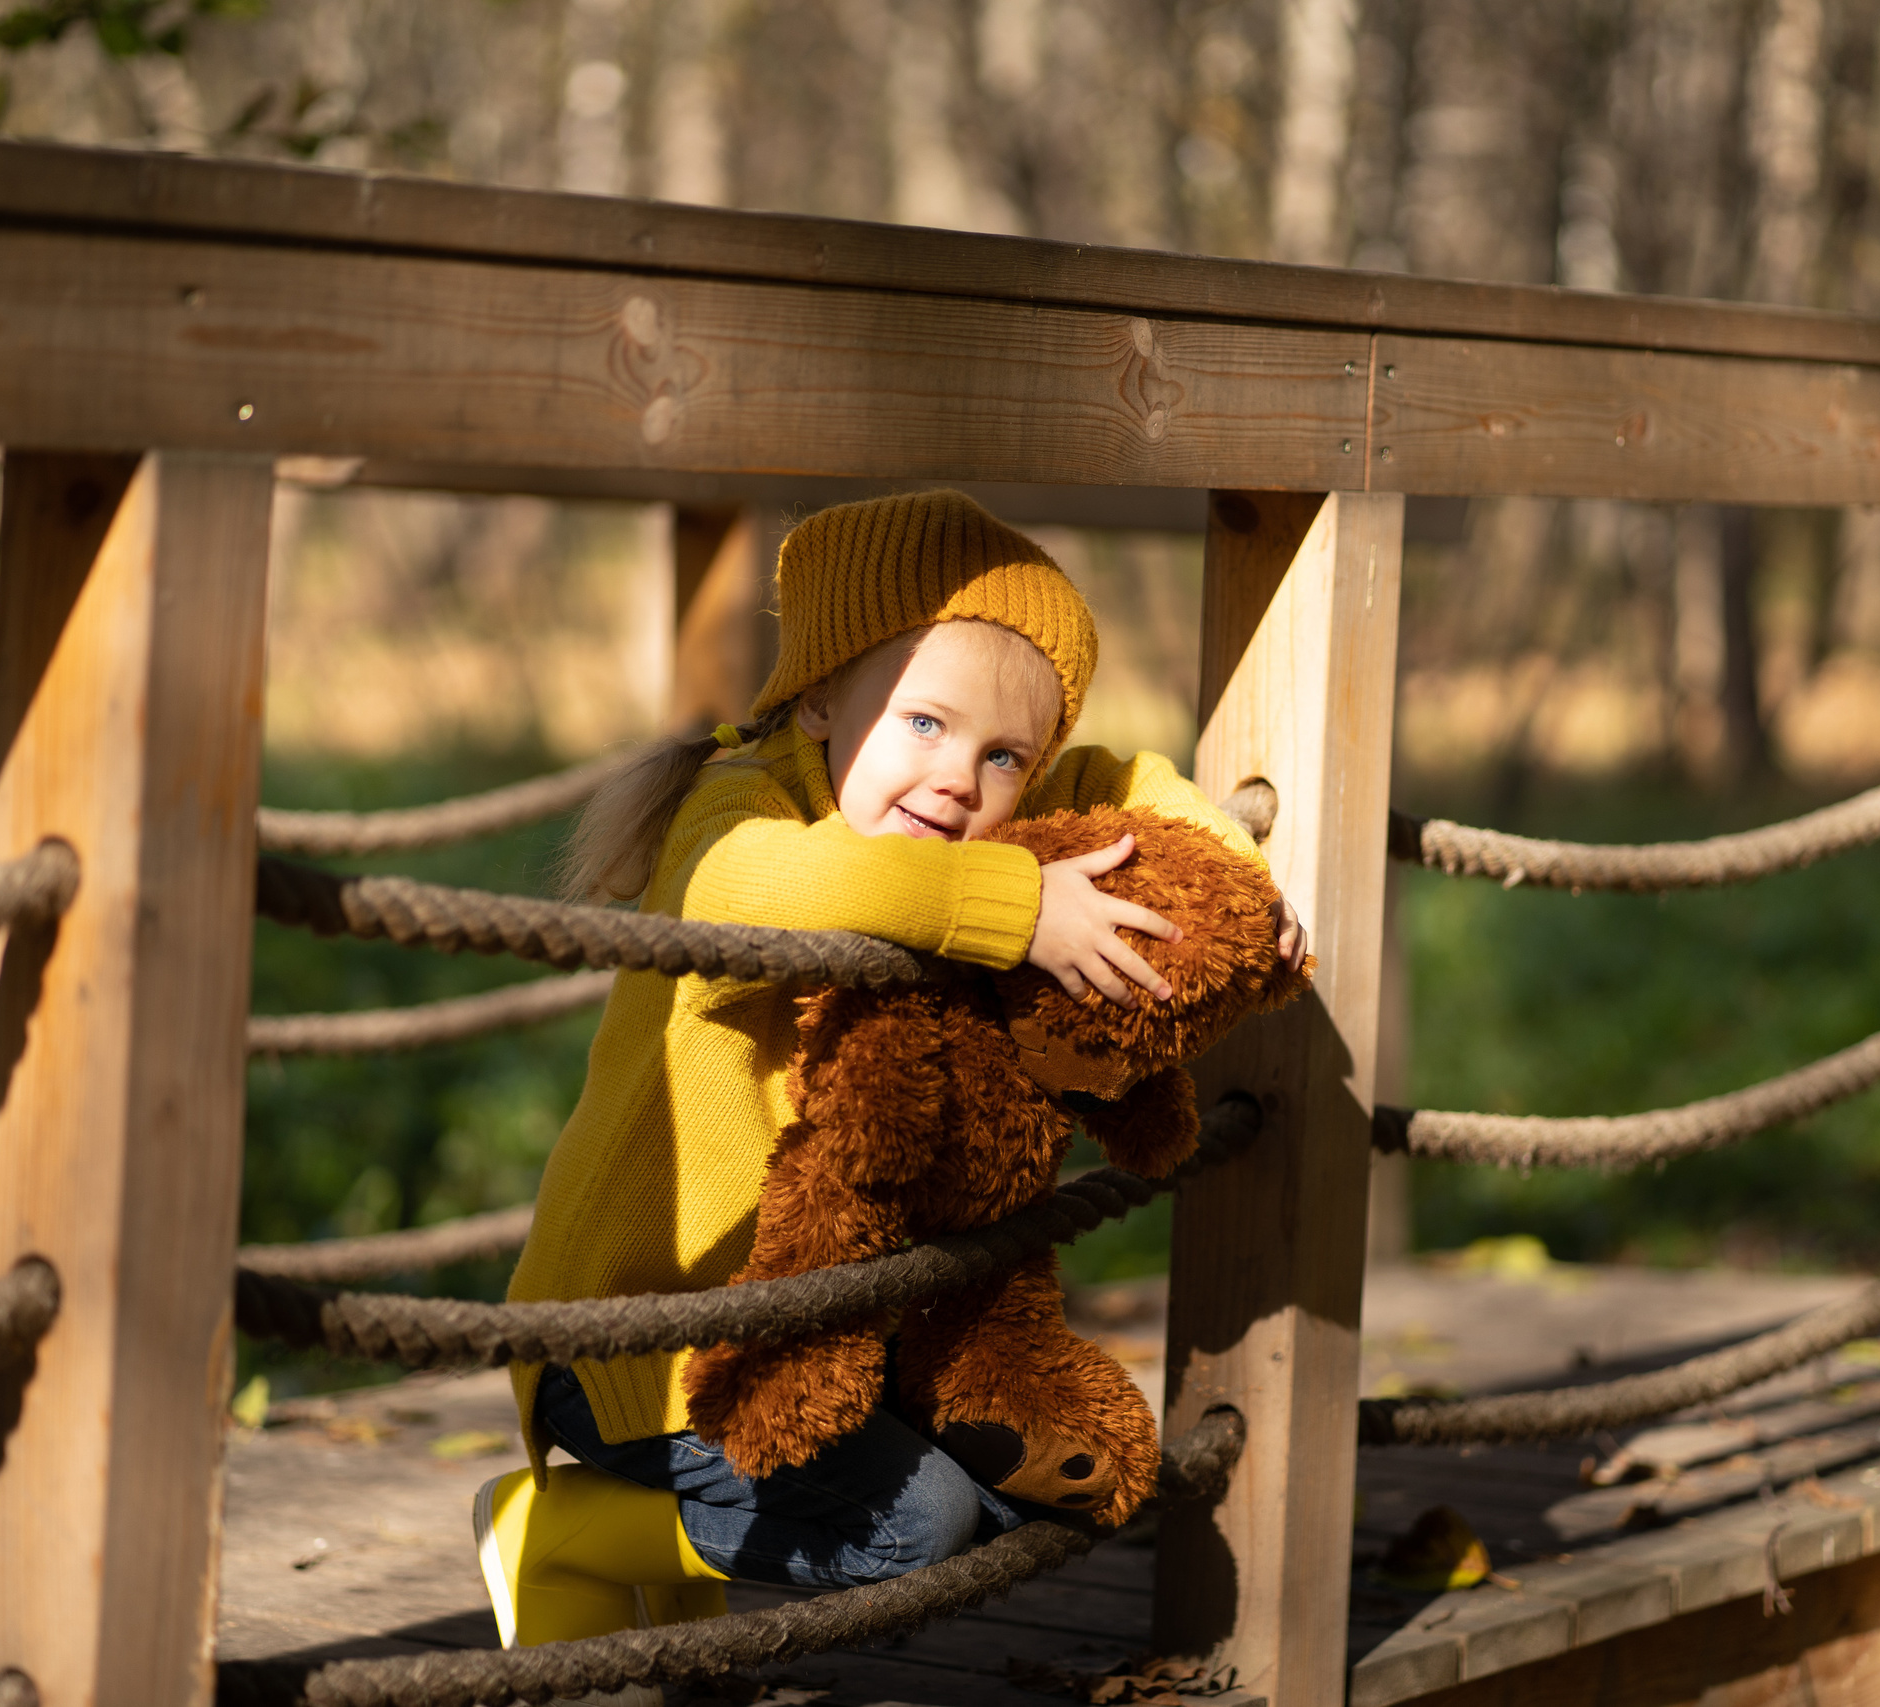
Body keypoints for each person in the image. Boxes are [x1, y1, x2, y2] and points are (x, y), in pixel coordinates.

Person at [474, 489, 1305, 1656]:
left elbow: (1126, 778)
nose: (959, 780)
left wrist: (1240, 889)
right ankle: (564, 1538)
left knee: (1036, 1471)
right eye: (923, 723)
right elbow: (762, 889)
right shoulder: (737, 809)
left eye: (1001, 755)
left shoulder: (945, 808)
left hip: (798, 1332)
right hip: (633, 1341)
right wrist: (1014, 909)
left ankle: (671, 1596)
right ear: (818, 694)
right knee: (919, 1523)